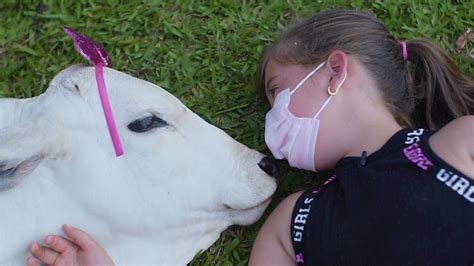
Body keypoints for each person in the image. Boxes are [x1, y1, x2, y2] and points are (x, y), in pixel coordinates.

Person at [27, 9, 473, 266]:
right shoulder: (293, 221)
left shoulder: (458, 146)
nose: (270, 123)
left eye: (278, 94)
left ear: (335, 72)